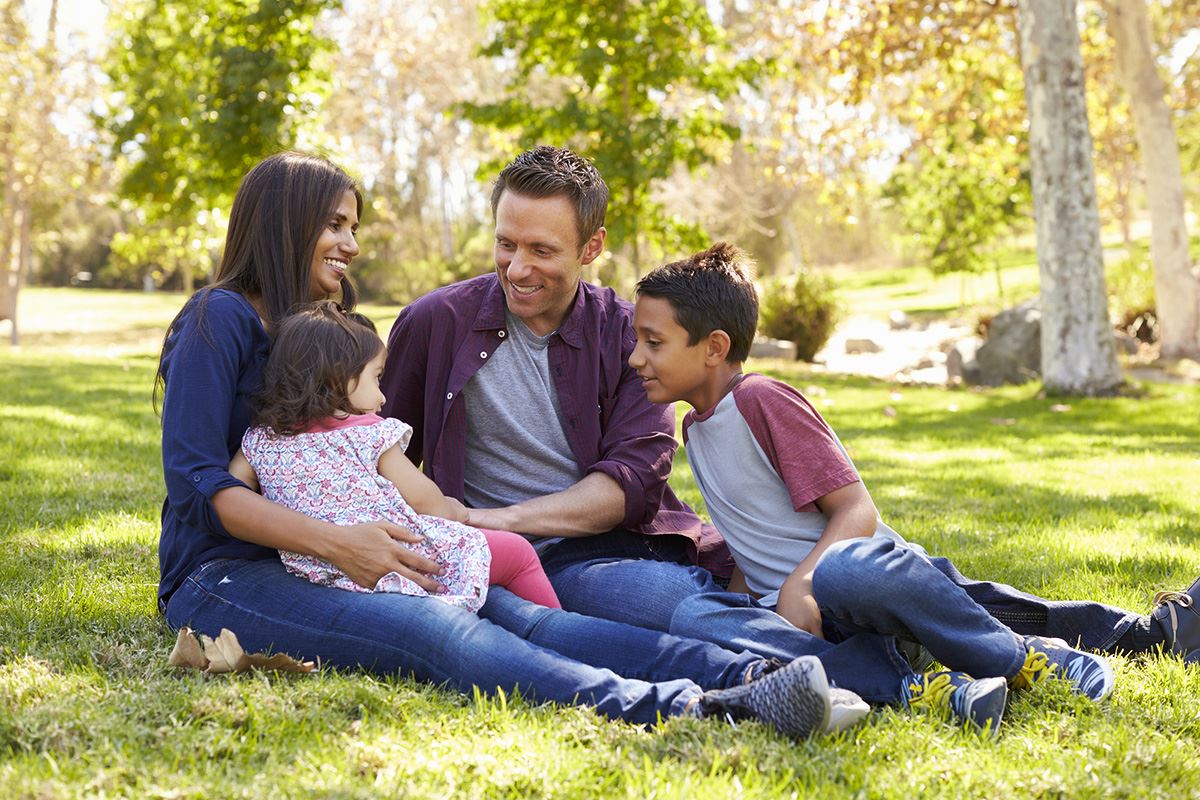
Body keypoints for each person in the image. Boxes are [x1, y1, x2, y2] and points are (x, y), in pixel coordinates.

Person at [381, 145, 1199, 713]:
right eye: (505, 245)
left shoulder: (628, 335)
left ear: (591, 246)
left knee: (892, 582)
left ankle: (1118, 635)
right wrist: (446, 533)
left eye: (542, 249)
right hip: (525, 561)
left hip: (620, 545)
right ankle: (912, 681)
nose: (518, 267)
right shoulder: (434, 324)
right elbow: (383, 444)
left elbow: (627, 487)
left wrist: (488, 517)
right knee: (735, 610)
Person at [156, 150, 851, 740]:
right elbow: (199, 485)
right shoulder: (219, 318)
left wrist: (421, 535)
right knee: (441, 633)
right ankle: (695, 706)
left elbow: (364, 448)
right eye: (335, 225)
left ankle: (758, 677)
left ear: (589, 248)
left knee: (524, 617)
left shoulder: (312, 328)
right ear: (287, 223)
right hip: (227, 574)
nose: (352, 244)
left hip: (342, 558)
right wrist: (342, 543)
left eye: (352, 226)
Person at [627, 241, 1200, 728]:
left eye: (654, 342)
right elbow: (750, 538)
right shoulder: (694, 431)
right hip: (820, 622)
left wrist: (802, 584)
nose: (635, 358)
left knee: (892, 583)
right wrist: (745, 606)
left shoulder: (761, 400)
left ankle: (1045, 655)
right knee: (696, 615)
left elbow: (857, 511)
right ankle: (912, 679)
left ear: (714, 347)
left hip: (870, 582)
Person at [227, 300, 560, 610]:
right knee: (518, 554)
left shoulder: (259, 440)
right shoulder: (370, 434)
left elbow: (234, 491)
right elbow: (427, 502)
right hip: (402, 560)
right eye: (377, 377)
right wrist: (453, 510)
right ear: (341, 378)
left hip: (318, 571)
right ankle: (554, 622)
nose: (383, 396)